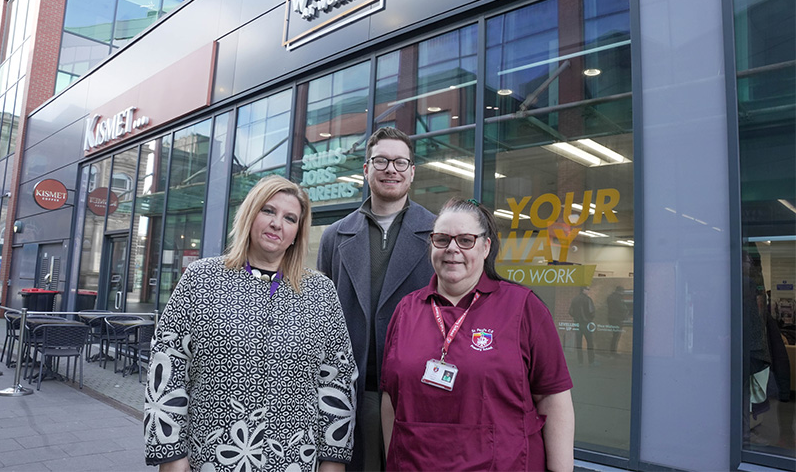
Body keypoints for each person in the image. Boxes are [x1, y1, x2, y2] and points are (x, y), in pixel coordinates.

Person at [145, 175, 357, 472]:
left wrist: (333, 459)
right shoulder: (200, 278)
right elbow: (167, 368)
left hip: (294, 458)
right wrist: (170, 453)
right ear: (249, 214)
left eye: (290, 218)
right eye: (268, 211)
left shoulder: (320, 291)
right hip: (212, 455)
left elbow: (337, 379)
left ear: (297, 232)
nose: (277, 223)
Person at [380, 198, 574, 471]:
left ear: (485, 247)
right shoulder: (406, 310)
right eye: (442, 239)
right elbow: (390, 398)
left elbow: (553, 399)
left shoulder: (523, 308)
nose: (452, 249)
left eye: (465, 240)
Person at [318, 127, 435, 471]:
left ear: (412, 172)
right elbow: (322, 315)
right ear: (366, 169)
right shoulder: (334, 236)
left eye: (401, 162)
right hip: (353, 391)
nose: (391, 169)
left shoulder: (438, 233)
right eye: (381, 160)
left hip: (421, 388)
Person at [569, 286, 596, 365]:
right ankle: (591, 361)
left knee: (579, 343)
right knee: (590, 342)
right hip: (586, 323)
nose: (588, 291)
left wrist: (576, 317)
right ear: (583, 290)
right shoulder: (587, 299)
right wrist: (589, 319)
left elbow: (570, 312)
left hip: (577, 323)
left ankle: (580, 361)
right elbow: (592, 312)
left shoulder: (575, 299)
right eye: (587, 289)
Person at [606, 286, 629, 355]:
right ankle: (613, 352)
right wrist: (626, 312)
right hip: (617, 318)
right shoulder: (618, 298)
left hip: (610, 318)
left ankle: (612, 352)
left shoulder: (610, 297)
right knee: (616, 336)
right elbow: (622, 308)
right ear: (620, 291)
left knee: (614, 335)